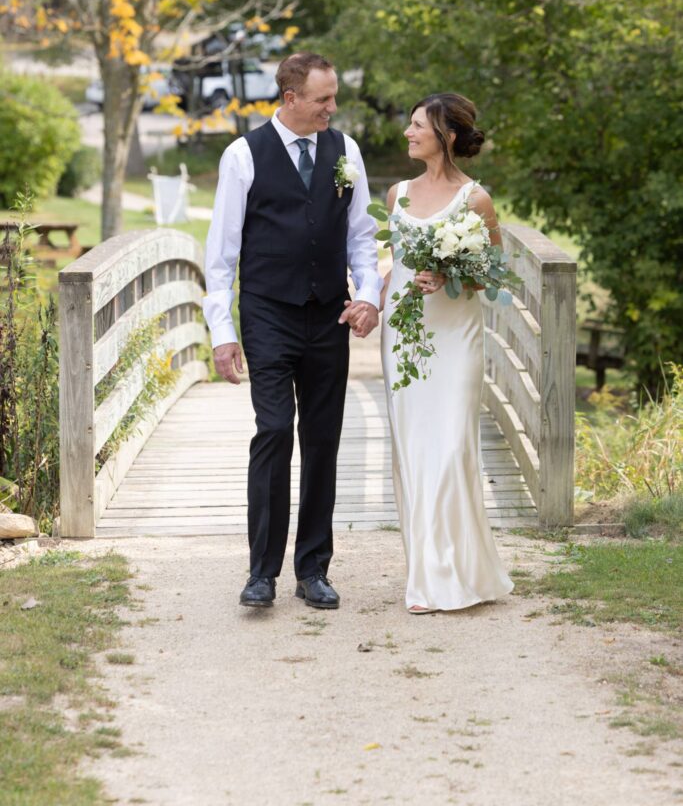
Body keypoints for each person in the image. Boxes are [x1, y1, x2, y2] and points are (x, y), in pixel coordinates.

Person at [203, 52, 382, 610]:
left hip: (328, 312)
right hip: (268, 314)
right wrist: (221, 332)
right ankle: (262, 573)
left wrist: (369, 297)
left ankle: (314, 570)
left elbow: (361, 236)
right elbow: (220, 254)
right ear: (291, 99)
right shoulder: (243, 156)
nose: (333, 108)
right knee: (275, 431)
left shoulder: (344, 151)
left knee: (324, 440)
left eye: (334, 97)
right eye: (324, 99)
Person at [380, 92, 514, 614]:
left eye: (418, 126)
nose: (408, 133)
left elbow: (493, 273)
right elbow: (394, 266)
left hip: (455, 338)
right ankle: (427, 574)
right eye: (409, 124)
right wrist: (372, 301)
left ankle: (456, 573)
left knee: (451, 447)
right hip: (406, 338)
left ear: (447, 136)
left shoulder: (476, 200)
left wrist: (453, 272)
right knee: (414, 449)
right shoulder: (397, 195)